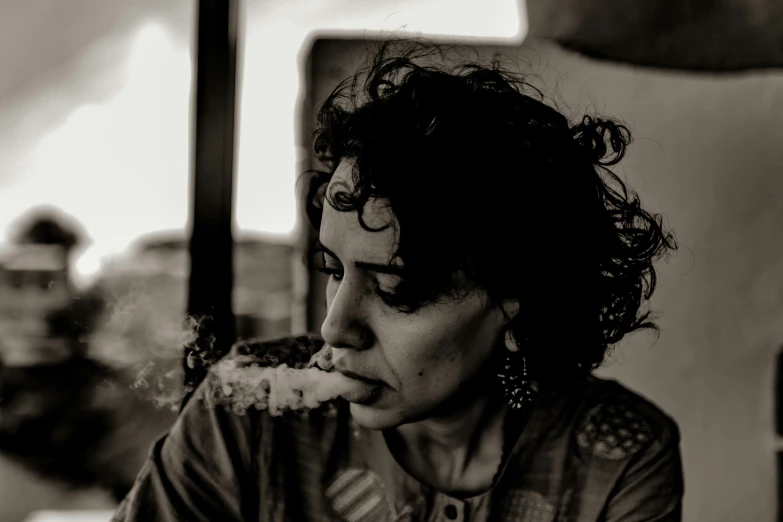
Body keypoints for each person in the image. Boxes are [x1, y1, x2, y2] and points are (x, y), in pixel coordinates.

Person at [112, 40, 682, 521]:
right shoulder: (246, 407)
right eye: (335, 270)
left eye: (395, 289)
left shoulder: (618, 457)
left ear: (520, 307)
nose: (334, 328)